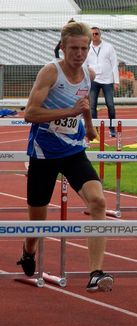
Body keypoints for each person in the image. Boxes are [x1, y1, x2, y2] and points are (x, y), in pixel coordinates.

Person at [18, 21, 113, 292]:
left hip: (73, 151)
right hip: (44, 154)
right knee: (37, 222)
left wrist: (90, 126)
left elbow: (82, 104)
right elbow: (30, 114)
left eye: (84, 48)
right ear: (63, 47)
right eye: (74, 48)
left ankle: (96, 272)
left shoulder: (88, 74)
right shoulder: (50, 72)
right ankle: (28, 249)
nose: (79, 54)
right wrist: (68, 112)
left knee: (98, 201)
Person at [85, 26, 120, 138]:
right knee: (92, 106)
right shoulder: (87, 47)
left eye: (96, 34)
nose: (94, 36)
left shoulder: (108, 47)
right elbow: (84, 64)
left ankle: (112, 128)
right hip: (93, 80)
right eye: (92, 34)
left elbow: (114, 64)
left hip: (107, 80)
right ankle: (95, 129)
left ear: (100, 35)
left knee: (110, 105)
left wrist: (116, 81)